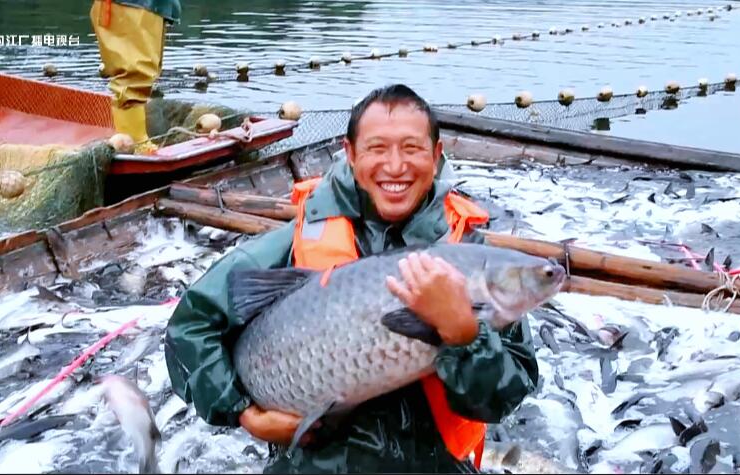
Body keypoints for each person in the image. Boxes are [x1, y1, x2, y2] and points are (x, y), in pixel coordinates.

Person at [164, 84, 539, 473]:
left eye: (412, 148)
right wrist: (245, 413)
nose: (395, 166)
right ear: (351, 153)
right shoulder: (292, 243)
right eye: (377, 149)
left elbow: (503, 398)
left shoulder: (472, 258)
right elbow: (190, 327)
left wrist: (465, 336)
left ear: (436, 155)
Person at [89, 0, 181, 154]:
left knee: (144, 72)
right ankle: (134, 143)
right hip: (132, 6)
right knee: (135, 74)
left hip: (145, 6)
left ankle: (135, 139)